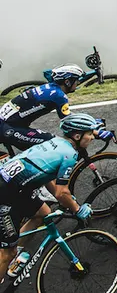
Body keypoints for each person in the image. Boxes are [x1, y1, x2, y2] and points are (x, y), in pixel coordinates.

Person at [0, 114, 98, 274]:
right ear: (77, 136)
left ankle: (15, 255)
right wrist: (77, 209)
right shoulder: (70, 155)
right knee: (6, 253)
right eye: (90, 133)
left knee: (43, 213)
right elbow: (61, 193)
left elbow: (48, 178)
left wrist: (68, 200)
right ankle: (9, 257)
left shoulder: (56, 142)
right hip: (7, 193)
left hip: (14, 186)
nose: (93, 137)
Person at [0, 66, 103, 151]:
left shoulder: (49, 87)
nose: (78, 83)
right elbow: (69, 121)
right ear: (67, 82)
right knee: (53, 144)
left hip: (8, 123)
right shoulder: (59, 96)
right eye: (76, 81)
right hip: (10, 127)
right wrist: (95, 130)